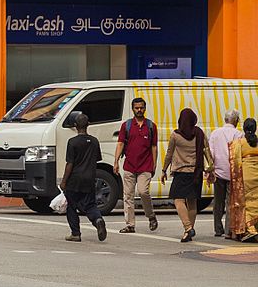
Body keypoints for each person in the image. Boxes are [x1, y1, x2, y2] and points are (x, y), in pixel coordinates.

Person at [161, 106, 213, 242]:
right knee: (192, 202)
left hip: (181, 172)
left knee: (178, 199)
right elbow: (207, 151)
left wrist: (163, 170)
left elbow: (169, 154)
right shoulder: (199, 133)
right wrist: (211, 169)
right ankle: (189, 230)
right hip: (196, 172)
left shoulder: (176, 135)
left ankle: (188, 228)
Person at [60, 112, 107, 243]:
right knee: (90, 204)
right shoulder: (94, 141)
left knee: (72, 206)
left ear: (75, 126)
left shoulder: (72, 142)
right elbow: (97, 160)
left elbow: (70, 163)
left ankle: (75, 233)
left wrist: (64, 181)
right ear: (88, 125)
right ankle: (98, 219)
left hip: (75, 179)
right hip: (90, 178)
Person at [114, 96, 158, 233]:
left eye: (141, 108)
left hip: (145, 165)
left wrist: (154, 164)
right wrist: (115, 162)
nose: (139, 110)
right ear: (132, 109)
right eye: (136, 108)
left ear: (145, 109)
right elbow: (120, 143)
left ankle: (151, 216)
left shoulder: (151, 126)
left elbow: (154, 147)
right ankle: (130, 224)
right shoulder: (126, 126)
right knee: (128, 196)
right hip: (129, 166)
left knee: (144, 192)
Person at [207, 110, 243, 238]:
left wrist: (210, 170)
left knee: (218, 201)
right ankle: (229, 230)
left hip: (218, 172)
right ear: (235, 120)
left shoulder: (215, 133)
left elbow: (210, 153)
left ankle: (218, 228)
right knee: (230, 202)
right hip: (233, 173)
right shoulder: (238, 134)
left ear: (225, 119)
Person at [228, 118, 258, 241]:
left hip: (245, 175)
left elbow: (234, 161)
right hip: (257, 175)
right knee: (256, 202)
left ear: (244, 129)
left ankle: (249, 229)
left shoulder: (239, 143)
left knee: (246, 203)